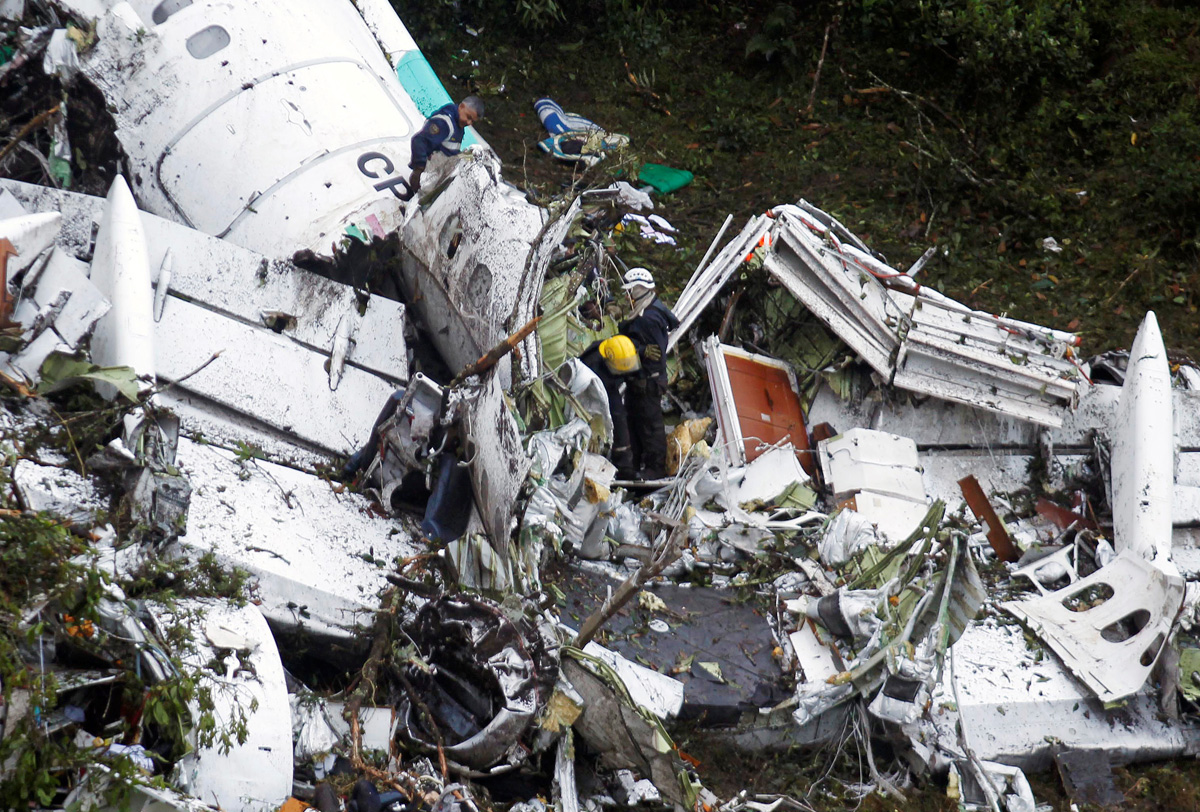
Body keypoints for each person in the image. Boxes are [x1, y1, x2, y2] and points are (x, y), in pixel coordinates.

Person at [617, 268, 679, 480]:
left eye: (629, 291)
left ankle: (655, 468)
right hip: (638, 382)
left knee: (650, 427)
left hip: (647, 383)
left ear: (639, 290)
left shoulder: (649, 318)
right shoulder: (646, 311)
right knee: (634, 424)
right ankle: (636, 465)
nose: (627, 296)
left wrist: (637, 350)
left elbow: (655, 355)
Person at [578, 334, 642, 479]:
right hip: (592, 393)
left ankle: (625, 464)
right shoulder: (591, 364)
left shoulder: (622, 349)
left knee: (620, 417)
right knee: (615, 418)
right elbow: (584, 399)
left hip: (609, 383)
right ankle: (594, 465)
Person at [403, 96, 485, 200]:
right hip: (431, 172)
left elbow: (451, 151)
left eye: (472, 121)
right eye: (468, 117)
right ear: (461, 107)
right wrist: (418, 169)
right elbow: (419, 141)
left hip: (447, 163)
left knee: (473, 155)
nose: (469, 123)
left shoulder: (459, 123)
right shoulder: (445, 123)